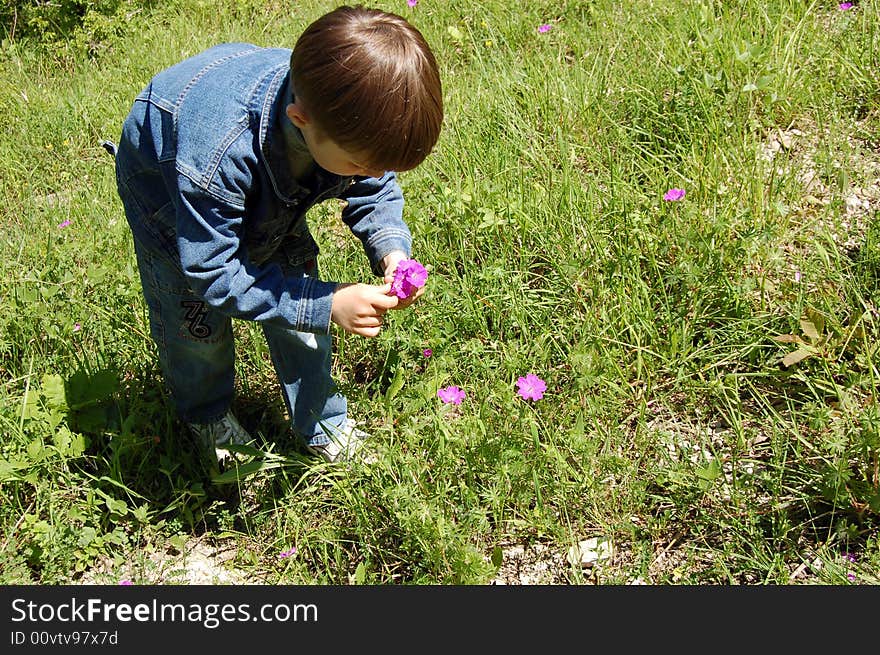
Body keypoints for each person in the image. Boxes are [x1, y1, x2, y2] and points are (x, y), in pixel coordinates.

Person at [113, 5, 443, 466]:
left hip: (275, 188)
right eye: (360, 164)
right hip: (169, 192)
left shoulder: (341, 115)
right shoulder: (218, 154)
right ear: (301, 118)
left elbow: (375, 186)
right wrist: (326, 304)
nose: (371, 174)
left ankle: (321, 423)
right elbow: (212, 273)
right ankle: (207, 416)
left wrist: (391, 251)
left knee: (301, 310)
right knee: (196, 324)